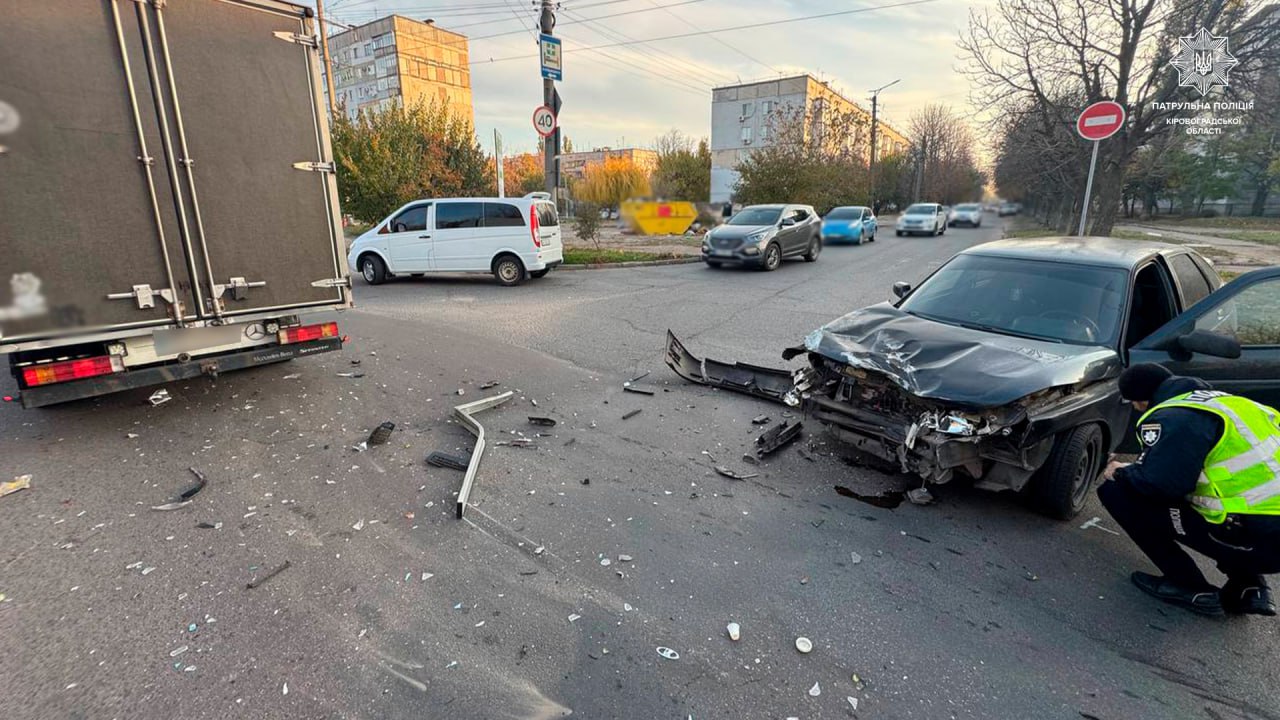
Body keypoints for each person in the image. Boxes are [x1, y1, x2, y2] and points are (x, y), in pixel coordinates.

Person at [1098, 363, 1280, 617]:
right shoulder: (1236, 405)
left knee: (1116, 491)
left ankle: (1189, 587)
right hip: (1265, 529)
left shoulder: (1174, 415)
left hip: (1259, 539)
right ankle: (1251, 588)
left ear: (1140, 400)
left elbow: (1161, 485)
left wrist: (1120, 470)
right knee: (1229, 501)